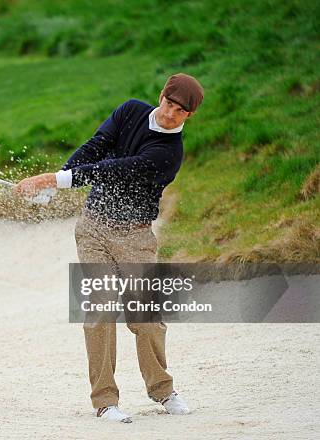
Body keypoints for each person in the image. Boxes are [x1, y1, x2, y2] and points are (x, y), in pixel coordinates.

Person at [13, 73, 204, 422]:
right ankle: (105, 401)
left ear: (189, 116)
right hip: (93, 229)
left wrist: (54, 179)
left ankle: (162, 390)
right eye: (169, 103)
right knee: (100, 310)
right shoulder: (130, 111)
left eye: (180, 111)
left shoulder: (168, 153)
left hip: (135, 238)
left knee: (145, 319)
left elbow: (116, 171)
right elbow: (96, 147)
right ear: (161, 95)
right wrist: (59, 180)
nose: (170, 113)